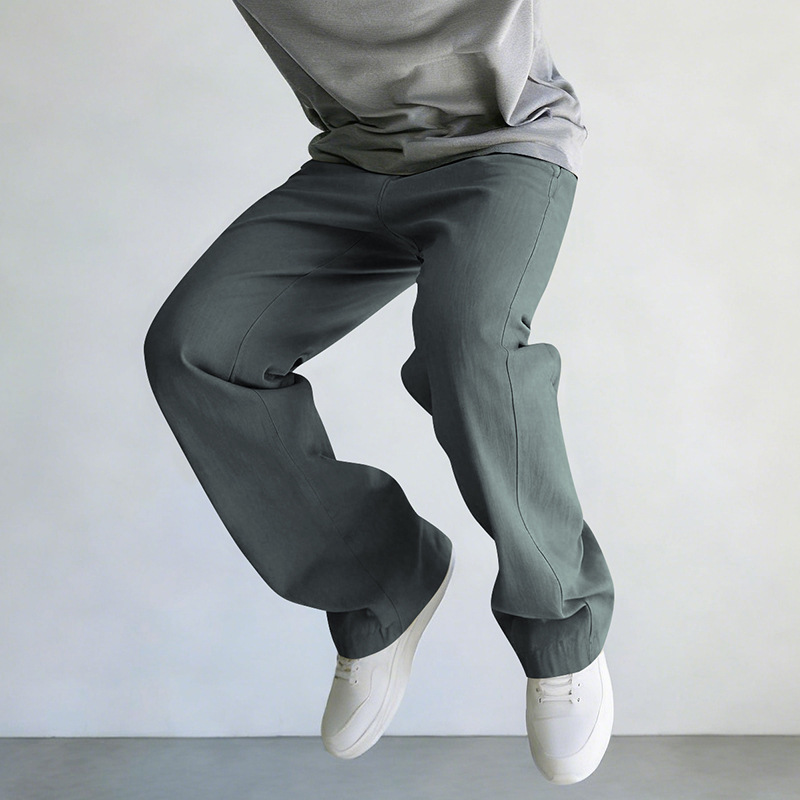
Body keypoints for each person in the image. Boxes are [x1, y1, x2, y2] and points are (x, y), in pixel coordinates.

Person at [143, 0, 615, 785]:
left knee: (470, 349)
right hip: (355, 163)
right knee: (200, 350)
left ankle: (560, 630)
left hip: (503, 150)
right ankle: (382, 581)